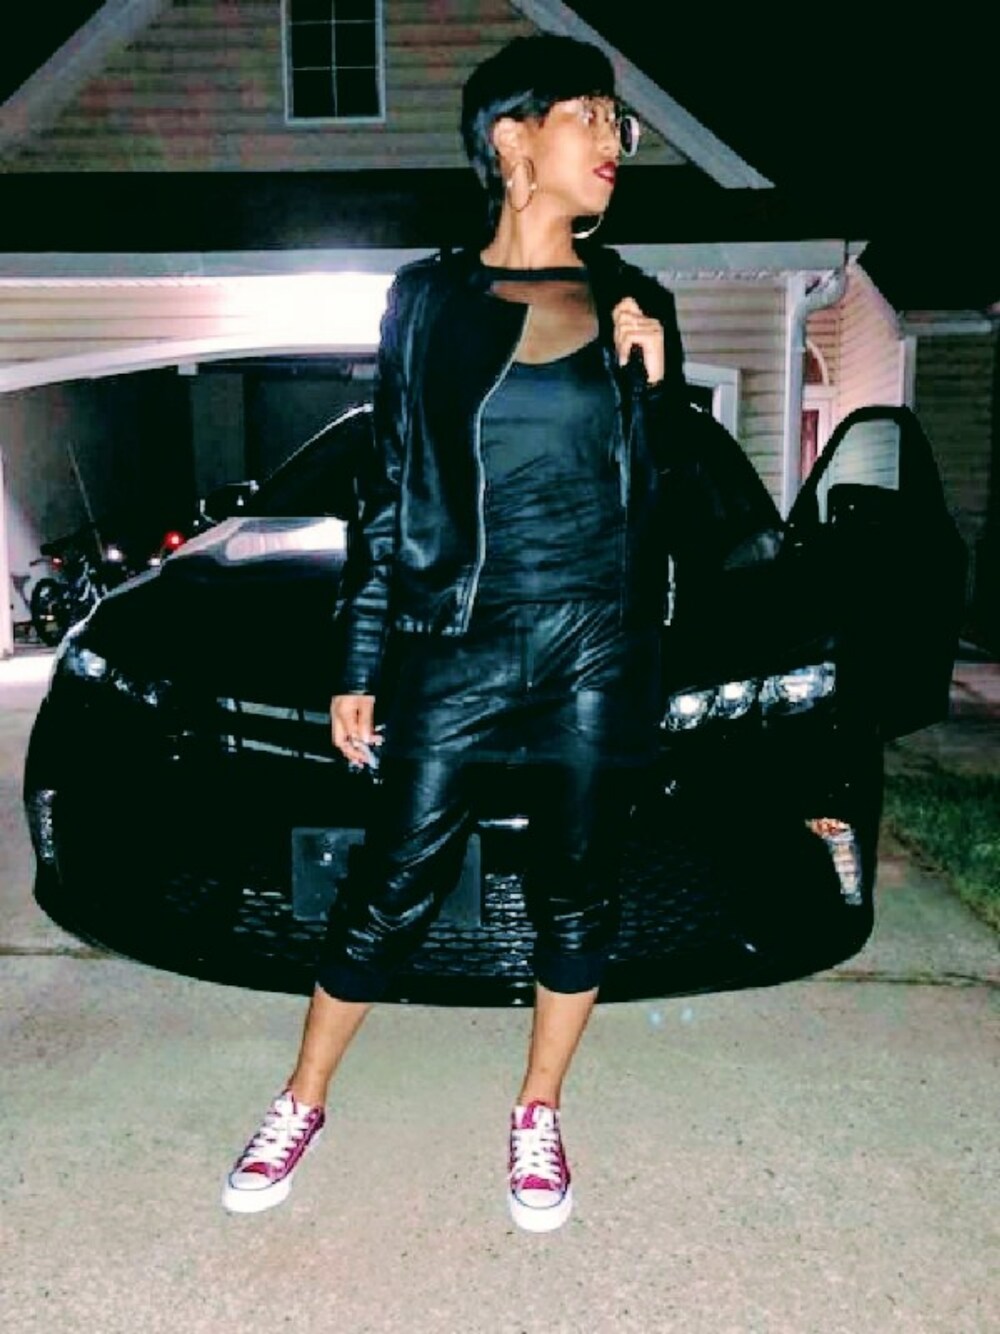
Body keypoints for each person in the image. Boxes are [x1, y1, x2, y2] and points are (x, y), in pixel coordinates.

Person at [222, 32, 697, 1233]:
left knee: (576, 887)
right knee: (394, 877)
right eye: (592, 115)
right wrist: (360, 659)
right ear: (512, 137)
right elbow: (387, 491)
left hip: (596, 642)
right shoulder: (427, 302)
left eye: (621, 124)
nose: (616, 141)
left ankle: (537, 1108)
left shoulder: (636, 298)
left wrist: (651, 386)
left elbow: (669, 500)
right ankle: (301, 1097)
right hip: (458, 640)